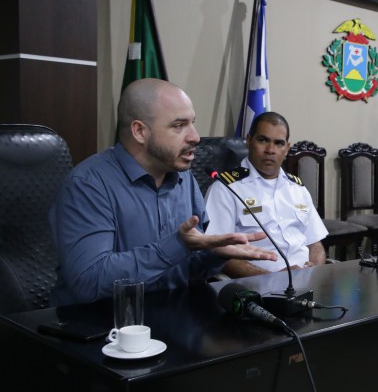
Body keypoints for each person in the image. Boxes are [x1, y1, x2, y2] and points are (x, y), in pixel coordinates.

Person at [49, 78, 276, 306]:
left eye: (192, 123)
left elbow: (189, 270)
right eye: (179, 126)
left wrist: (215, 254)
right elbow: (89, 281)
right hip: (104, 327)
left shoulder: (184, 178)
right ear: (139, 131)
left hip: (172, 317)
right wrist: (178, 245)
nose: (195, 137)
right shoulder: (88, 184)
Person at [204, 112, 328, 277]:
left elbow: (315, 245)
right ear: (249, 141)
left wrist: (314, 272)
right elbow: (218, 253)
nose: (270, 150)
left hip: (307, 283)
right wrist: (272, 278)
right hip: (259, 288)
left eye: (278, 143)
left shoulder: (297, 188)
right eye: (263, 140)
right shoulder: (226, 189)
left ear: (287, 148)